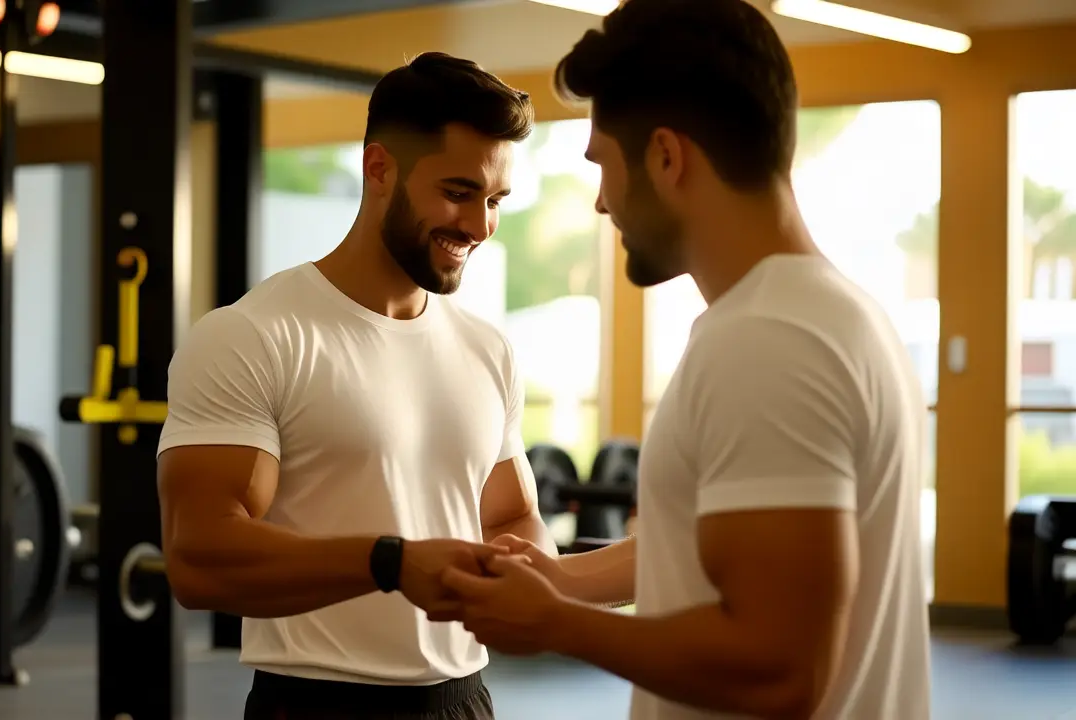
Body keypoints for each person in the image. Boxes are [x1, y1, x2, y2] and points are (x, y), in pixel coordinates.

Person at [437, 1, 933, 719]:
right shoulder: (828, 315)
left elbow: (778, 671)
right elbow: (723, 542)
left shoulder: (769, 341)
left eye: (604, 165)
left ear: (667, 158)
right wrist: (557, 579)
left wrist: (555, 623)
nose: (602, 203)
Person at [156, 51, 557, 720]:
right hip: (317, 702)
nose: (480, 225)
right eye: (458, 192)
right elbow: (199, 559)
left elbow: (511, 515)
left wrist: (529, 565)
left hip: (464, 699)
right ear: (379, 168)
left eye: (495, 201)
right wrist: (389, 564)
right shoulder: (254, 335)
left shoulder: (487, 349)